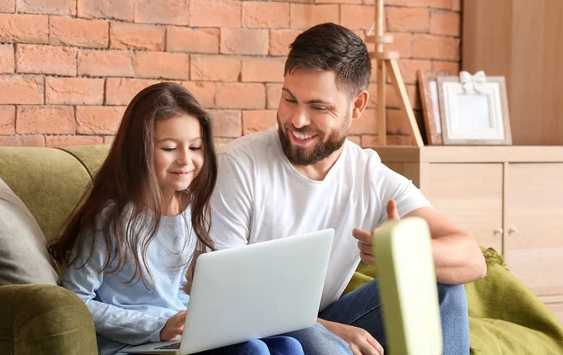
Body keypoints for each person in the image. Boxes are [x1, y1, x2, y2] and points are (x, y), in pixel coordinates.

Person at [209, 23, 487, 355]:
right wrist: (328, 329)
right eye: (289, 99)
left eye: (318, 107)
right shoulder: (238, 166)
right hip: (255, 324)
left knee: (443, 288)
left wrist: (400, 252)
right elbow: (225, 295)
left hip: (322, 318)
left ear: (356, 106)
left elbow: (472, 259)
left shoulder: (369, 174)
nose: (297, 119)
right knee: (319, 341)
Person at [48, 83, 304, 355]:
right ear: (140, 149)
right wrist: (159, 325)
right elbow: (76, 301)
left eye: (195, 147)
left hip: (184, 338)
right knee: (253, 351)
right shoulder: (109, 218)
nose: (186, 160)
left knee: (289, 346)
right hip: (135, 344)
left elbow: (185, 294)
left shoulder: (195, 209)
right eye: (169, 148)